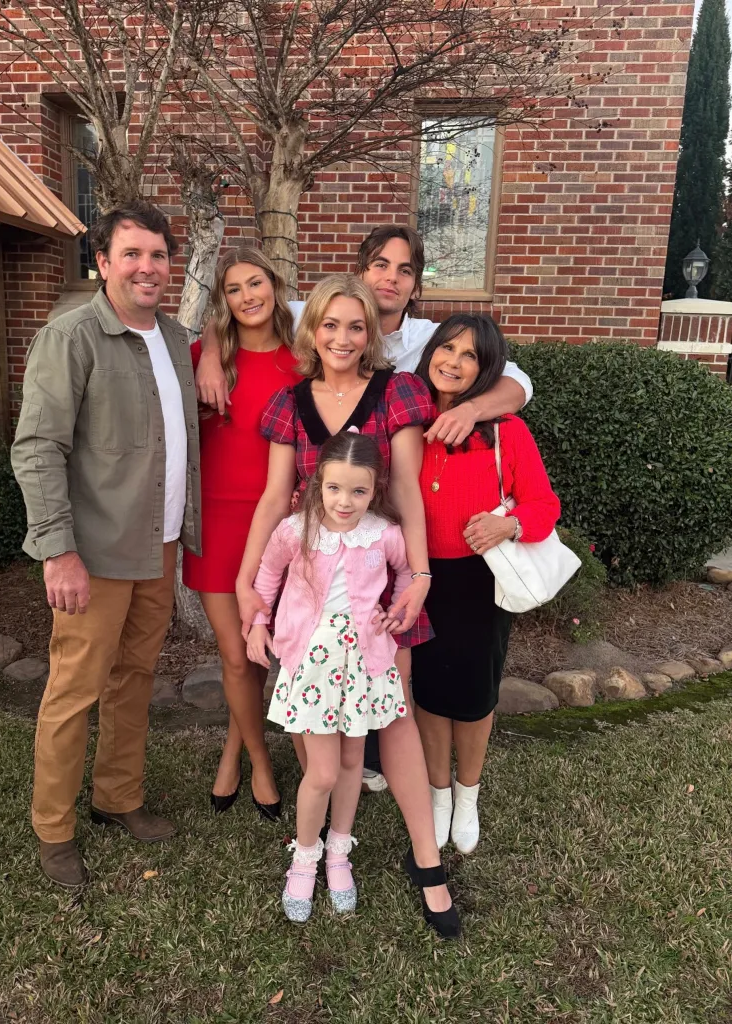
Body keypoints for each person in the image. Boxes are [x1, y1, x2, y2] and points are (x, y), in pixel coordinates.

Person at [196, 224, 533, 790]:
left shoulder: (421, 353)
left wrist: (419, 571)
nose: (390, 278)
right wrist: (209, 346)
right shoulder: (310, 348)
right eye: (380, 264)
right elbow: (241, 302)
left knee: (390, 672)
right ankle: (324, 796)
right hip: (316, 557)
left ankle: (411, 800)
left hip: (384, 550)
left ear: (415, 284)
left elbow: (506, 385)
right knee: (317, 670)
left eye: (404, 270)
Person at [235, 273, 460, 935]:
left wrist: (418, 576)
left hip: (384, 575)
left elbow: (410, 493)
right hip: (313, 587)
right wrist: (251, 582)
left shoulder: (398, 393)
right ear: (312, 331)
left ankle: (426, 861)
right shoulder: (289, 403)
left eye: (355, 326)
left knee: (393, 717)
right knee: (328, 738)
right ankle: (318, 852)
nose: (341, 337)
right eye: (329, 325)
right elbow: (276, 501)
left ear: (372, 333)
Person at [11, 201, 201, 888]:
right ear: (102, 262)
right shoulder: (72, 338)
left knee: (134, 682)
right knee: (74, 690)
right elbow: (37, 448)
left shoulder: (176, 338)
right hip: (93, 554)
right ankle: (54, 831)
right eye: (132, 254)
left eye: (157, 254)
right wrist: (57, 551)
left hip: (161, 546)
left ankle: (118, 797)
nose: (147, 266)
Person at [411, 313, 561, 855]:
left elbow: (545, 504)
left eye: (469, 354)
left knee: (474, 694)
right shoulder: (409, 419)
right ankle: (437, 793)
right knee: (427, 691)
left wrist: (511, 522)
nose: (452, 361)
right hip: (419, 574)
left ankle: (467, 792)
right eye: (446, 348)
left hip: (481, 576)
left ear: (486, 368)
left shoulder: (505, 431)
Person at [183, 248, 299, 819]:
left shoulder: (303, 358)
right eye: (234, 289)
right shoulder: (205, 356)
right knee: (234, 655)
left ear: (275, 287)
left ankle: (232, 748)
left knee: (260, 657)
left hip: (280, 524)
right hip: (216, 520)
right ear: (223, 301)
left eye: (256, 283)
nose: (248, 296)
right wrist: (206, 351)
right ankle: (259, 761)